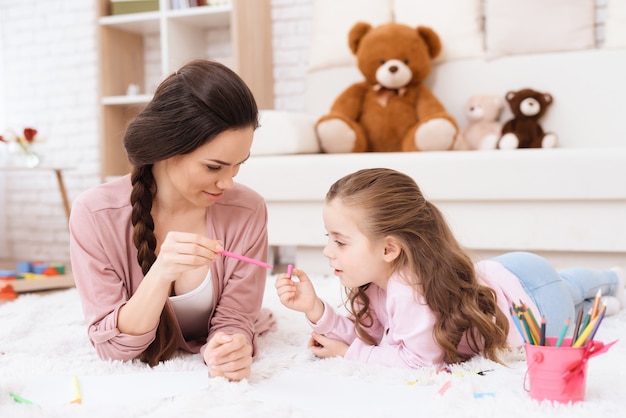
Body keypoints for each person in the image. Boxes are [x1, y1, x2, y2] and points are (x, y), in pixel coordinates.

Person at [275, 168, 625, 369]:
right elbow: (370, 336)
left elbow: (416, 361)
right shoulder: (377, 279)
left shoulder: (409, 290)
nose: (326, 251)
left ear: (388, 248)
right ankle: (605, 296)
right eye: (329, 238)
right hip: (507, 273)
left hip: (535, 303)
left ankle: (612, 279)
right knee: (574, 291)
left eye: (340, 241)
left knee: (571, 291)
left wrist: (346, 353)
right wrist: (314, 309)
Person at [69, 60, 275, 381]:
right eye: (213, 167)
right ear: (168, 148)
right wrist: (162, 272)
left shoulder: (247, 210)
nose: (228, 183)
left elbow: (237, 316)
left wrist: (227, 346)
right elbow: (112, 347)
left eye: (238, 166)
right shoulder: (95, 215)